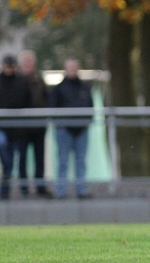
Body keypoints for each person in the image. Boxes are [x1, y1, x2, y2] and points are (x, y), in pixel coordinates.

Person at [0, 55, 32, 199]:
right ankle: (5, 191)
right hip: (0, 127)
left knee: (21, 160)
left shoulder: (22, 82)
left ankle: (23, 190)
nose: (9, 68)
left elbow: (28, 103)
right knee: (6, 160)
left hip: (19, 129)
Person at [48, 58, 93, 199]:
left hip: (81, 130)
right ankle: (61, 191)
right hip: (64, 130)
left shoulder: (84, 88)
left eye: (74, 67)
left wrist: (85, 123)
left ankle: (81, 190)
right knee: (63, 161)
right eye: (70, 67)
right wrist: (61, 124)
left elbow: (90, 107)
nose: (72, 70)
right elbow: (53, 108)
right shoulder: (59, 88)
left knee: (81, 161)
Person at [17, 50, 52, 198]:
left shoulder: (40, 80)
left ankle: (40, 186)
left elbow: (46, 98)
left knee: (39, 158)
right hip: (22, 127)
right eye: (26, 63)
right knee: (22, 158)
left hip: (38, 126)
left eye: (30, 63)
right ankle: (24, 188)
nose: (28, 65)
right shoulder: (16, 81)